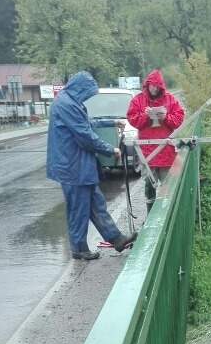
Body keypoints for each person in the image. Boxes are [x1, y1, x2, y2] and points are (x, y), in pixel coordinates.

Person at [47, 70, 138, 261]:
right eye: (88, 93)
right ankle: (79, 248)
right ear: (80, 88)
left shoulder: (69, 101)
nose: (88, 97)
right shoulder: (66, 104)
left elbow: (86, 123)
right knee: (78, 209)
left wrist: (111, 122)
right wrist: (109, 149)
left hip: (78, 165)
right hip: (72, 166)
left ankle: (116, 239)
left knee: (97, 204)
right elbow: (84, 135)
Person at [126, 69, 185, 212]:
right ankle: (150, 216)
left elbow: (179, 119)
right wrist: (145, 116)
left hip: (166, 152)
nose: (154, 88)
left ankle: (167, 213)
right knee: (149, 187)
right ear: (147, 85)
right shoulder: (138, 100)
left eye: (157, 86)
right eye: (152, 85)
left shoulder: (170, 100)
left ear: (161, 86)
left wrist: (166, 117)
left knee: (168, 187)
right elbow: (132, 119)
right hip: (147, 154)